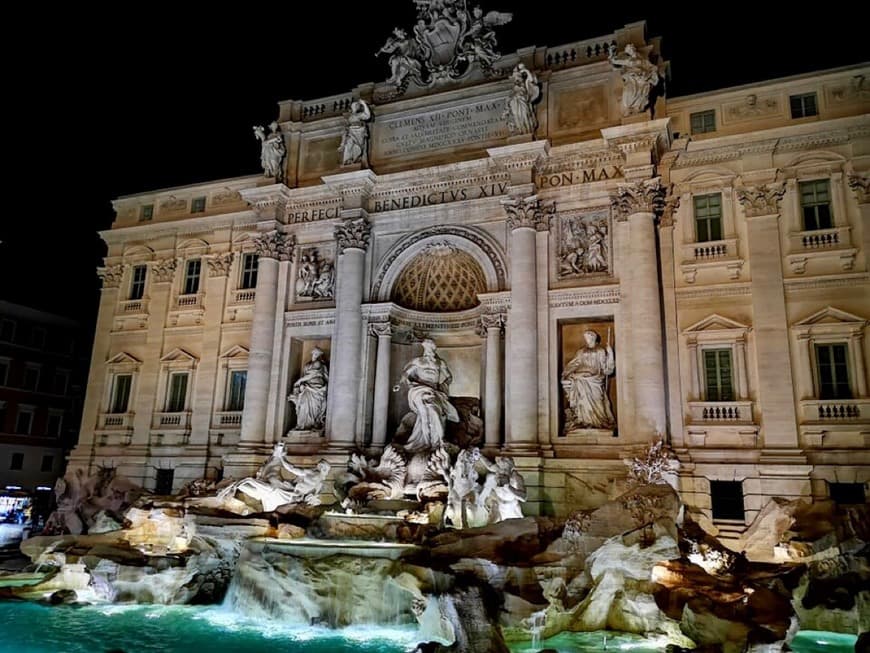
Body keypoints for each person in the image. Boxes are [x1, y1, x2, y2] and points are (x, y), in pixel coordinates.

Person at [393, 338, 459, 453]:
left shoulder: (440, 362)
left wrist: (444, 385)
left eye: (431, 347)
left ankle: (438, 441)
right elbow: (406, 373)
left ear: (434, 348)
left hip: (434, 390)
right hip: (419, 389)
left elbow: (449, 377)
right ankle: (426, 442)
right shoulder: (418, 361)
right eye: (427, 347)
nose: (429, 350)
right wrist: (399, 384)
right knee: (424, 413)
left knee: (434, 411)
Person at [561, 329, 616, 430]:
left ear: (594, 338)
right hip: (580, 377)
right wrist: (566, 374)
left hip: (595, 378)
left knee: (597, 400)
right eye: (586, 338)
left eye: (589, 337)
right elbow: (574, 364)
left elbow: (606, 369)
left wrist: (610, 354)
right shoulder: (581, 351)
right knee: (581, 398)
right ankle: (583, 420)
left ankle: (599, 421)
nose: (587, 340)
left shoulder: (600, 350)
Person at [608, 43, 659, 116]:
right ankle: (632, 108)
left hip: (641, 81)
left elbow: (652, 69)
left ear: (633, 50)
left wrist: (645, 75)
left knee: (638, 94)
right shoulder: (627, 60)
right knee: (629, 93)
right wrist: (611, 52)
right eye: (628, 50)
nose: (630, 50)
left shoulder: (643, 60)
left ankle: (637, 107)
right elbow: (614, 61)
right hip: (631, 80)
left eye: (631, 49)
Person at [288, 347, 329, 430]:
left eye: (317, 354)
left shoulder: (319, 363)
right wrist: (301, 383)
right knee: (303, 405)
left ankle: (312, 424)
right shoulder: (308, 364)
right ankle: (303, 424)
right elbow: (305, 375)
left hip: (316, 387)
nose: (315, 355)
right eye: (314, 353)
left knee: (314, 407)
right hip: (308, 387)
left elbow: (311, 375)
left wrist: (300, 380)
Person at [503, 63, 541, 135]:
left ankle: (527, 130)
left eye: (518, 77)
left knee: (525, 116)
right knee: (517, 118)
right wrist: (507, 107)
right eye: (515, 78)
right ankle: (521, 130)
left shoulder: (526, 83)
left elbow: (531, 80)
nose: (516, 79)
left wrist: (526, 71)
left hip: (523, 102)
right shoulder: (513, 89)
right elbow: (509, 98)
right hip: (515, 104)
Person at [338, 99, 373, 167]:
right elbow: (345, 129)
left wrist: (364, 104)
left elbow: (368, 115)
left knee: (358, 146)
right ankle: (348, 160)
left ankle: (356, 159)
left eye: (356, 105)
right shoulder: (350, 117)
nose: (355, 107)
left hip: (359, 132)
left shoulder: (359, 115)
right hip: (350, 132)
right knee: (349, 144)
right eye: (354, 106)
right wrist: (342, 143)